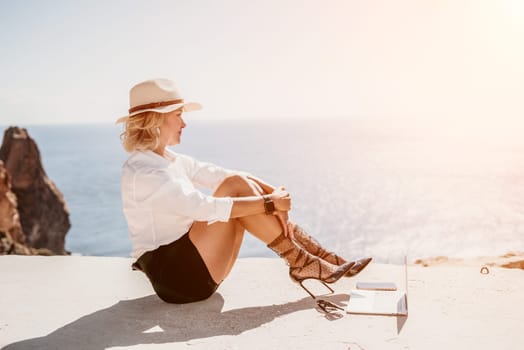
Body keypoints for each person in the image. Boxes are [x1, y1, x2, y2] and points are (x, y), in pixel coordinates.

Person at [117, 78, 372, 304]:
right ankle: (303, 260)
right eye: (178, 115)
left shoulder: (168, 159)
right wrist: (269, 203)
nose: (184, 123)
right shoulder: (144, 171)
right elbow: (203, 207)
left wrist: (276, 197)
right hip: (176, 278)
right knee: (236, 190)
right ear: (157, 119)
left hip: (193, 266)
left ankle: (312, 258)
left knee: (236, 184)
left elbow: (224, 175)